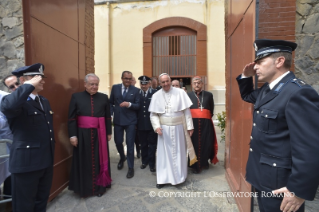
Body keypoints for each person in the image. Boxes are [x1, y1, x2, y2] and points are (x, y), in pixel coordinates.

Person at [237, 39, 319, 212]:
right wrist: (245, 76)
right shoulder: (268, 89)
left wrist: (297, 190)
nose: (255, 67)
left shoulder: (298, 93)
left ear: (279, 61)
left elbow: (310, 148)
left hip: (281, 184)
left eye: (260, 62)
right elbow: (247, 96)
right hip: (263, 176)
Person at [1, 63, 55, 212]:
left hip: (45, 161)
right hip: (26, 165)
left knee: (41, 202)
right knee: (24, 206)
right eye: (39, 77)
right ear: (26, 80)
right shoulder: (13, 100)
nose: (43, 80)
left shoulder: (43, 101)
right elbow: (9, 107)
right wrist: (28, 85)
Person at [149, 73, 197, 189]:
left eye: (167, 81)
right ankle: (163, 179)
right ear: (160, 83)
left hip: (179, 128)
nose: (166, 84)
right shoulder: (156, 96)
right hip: (164, 130)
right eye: (163, 82)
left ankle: (179, 178)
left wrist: (190, 126)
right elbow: (153, 114)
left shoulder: (180, 93)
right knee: (163, 155)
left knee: (179, 153)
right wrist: (156, 126)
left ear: (170, 81)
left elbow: (186, 111)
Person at [68, 73, 112, 197]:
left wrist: (109, 132)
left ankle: (99, 188)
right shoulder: (76, 97)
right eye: (91, 84)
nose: (94, 86)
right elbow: (71, 118)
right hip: (82, 134)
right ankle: (84, 188)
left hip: (100, 134)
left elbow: (108, 117)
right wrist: (73, 136)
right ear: (85, 84)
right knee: (84, 160)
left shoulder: (104, 97)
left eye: (96, 84)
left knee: (99, 159)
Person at [110, 71, 140, 178]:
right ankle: (122, 157)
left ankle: (130, 167)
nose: (128, 80)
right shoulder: (115, 88)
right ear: (122, 78)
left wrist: (129, 104)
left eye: (129, 78)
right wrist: (111, 114)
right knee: (118, 142)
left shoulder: (136, 90)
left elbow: (138, 105)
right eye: (126, 78)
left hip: (130, 121)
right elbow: (111, 103)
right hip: (118, 120)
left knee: (130, 144)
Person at [187, 76, 218, 174]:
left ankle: (204, 162)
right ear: (192, 85)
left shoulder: (209, 95)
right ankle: (194, 164)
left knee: (206, 143)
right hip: (192, 124)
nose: (197, 84)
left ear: (202, 84)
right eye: (195, 83)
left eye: (199, 82)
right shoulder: (188, 95)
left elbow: (211, 109)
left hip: (206, 124)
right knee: (194, 144)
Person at [137, 76, 157, 172]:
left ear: (149, 84)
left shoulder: (154, 93)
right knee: (143, 144)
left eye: (145, 83)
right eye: (142, 83)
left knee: (152, 145)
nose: (143, 85)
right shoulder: (137, 94)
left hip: (151, 124)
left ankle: (152, 163)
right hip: (141, 124)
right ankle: (144, 161)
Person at [131, 76, 141, 159]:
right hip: (128, 118)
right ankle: (131, 152)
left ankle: (138, 151)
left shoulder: (138, 91)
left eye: (133, 80)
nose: (131, 81)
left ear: (135, 82)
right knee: (130, 137)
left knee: (137, 137)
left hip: (137, 117)